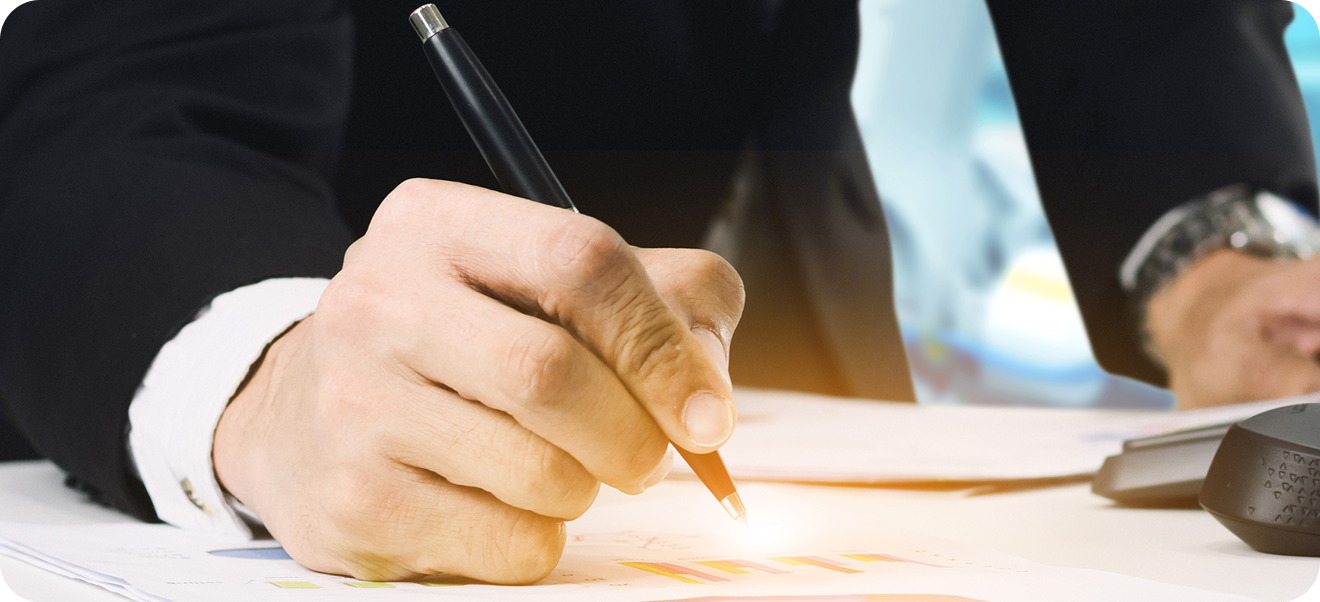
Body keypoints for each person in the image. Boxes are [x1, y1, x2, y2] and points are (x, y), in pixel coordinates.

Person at [1, 0, 1316, 585]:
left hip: (805, 335)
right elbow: (115, 85)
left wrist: (1210, 247)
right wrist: (271, 364)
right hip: (389, 347)